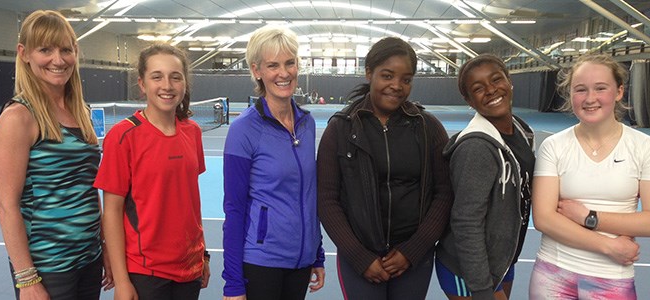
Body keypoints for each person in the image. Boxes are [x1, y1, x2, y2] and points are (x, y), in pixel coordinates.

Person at [317, 36, 454, 300]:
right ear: (369, 73)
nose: (397, 86)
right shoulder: (341, 128)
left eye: (406, 79)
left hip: (413, 261)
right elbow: (327, 199)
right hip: (361, 258)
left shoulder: (428, 128)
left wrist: (412, 250)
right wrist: (359, 257)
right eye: (388, 76)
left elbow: (444, 194)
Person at [0, 10, 112, 299]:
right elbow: (6, 205)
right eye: (45, 49)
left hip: (88, 259)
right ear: (24, 53)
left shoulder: (81, 113)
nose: (58, 60)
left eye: (65, 50)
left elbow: (89, 188)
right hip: (47, 268)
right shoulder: (19, 117)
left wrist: (104, 246)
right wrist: (27, 278)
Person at [530, 53, 650, 299]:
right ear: (570, 95)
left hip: (613, 280)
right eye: (580, 90)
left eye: (600, 88)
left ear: (619, 92)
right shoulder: (554, 146)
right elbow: (544, 219)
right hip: (552, 274)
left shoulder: (645, 147)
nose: (590, 99)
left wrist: (589, 217)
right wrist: (609, 245)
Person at [95, 43, 210, 300]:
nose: (167, 85)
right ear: (143, 84)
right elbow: (112, 212)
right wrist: (123, 281)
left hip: (189, 269)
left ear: (184, 84)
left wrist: (203, 255)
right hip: (145, 273)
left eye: (175, 77)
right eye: (157, 76)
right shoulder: (122, 136)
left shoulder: (192, 132)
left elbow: (191, 202)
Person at [222, 26, 325, 300]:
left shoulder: (307, 123)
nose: (284, 73)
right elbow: (233, 208)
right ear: (257, 70)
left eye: (290, 63)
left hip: (300, 263)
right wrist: (233, 283)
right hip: (261, 263)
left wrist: (317, 253)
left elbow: (308, 194)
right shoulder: (244, 129)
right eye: (273, 65)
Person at [434, 54, 535, 300]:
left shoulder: (522, 131)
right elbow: (466, 222)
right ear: (469, 100)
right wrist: (481, 289)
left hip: (500, 261)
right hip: (467, 269)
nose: (490, 90)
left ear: (509, 81)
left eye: (496, 80)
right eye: (478, 88)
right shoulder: (476, 149)